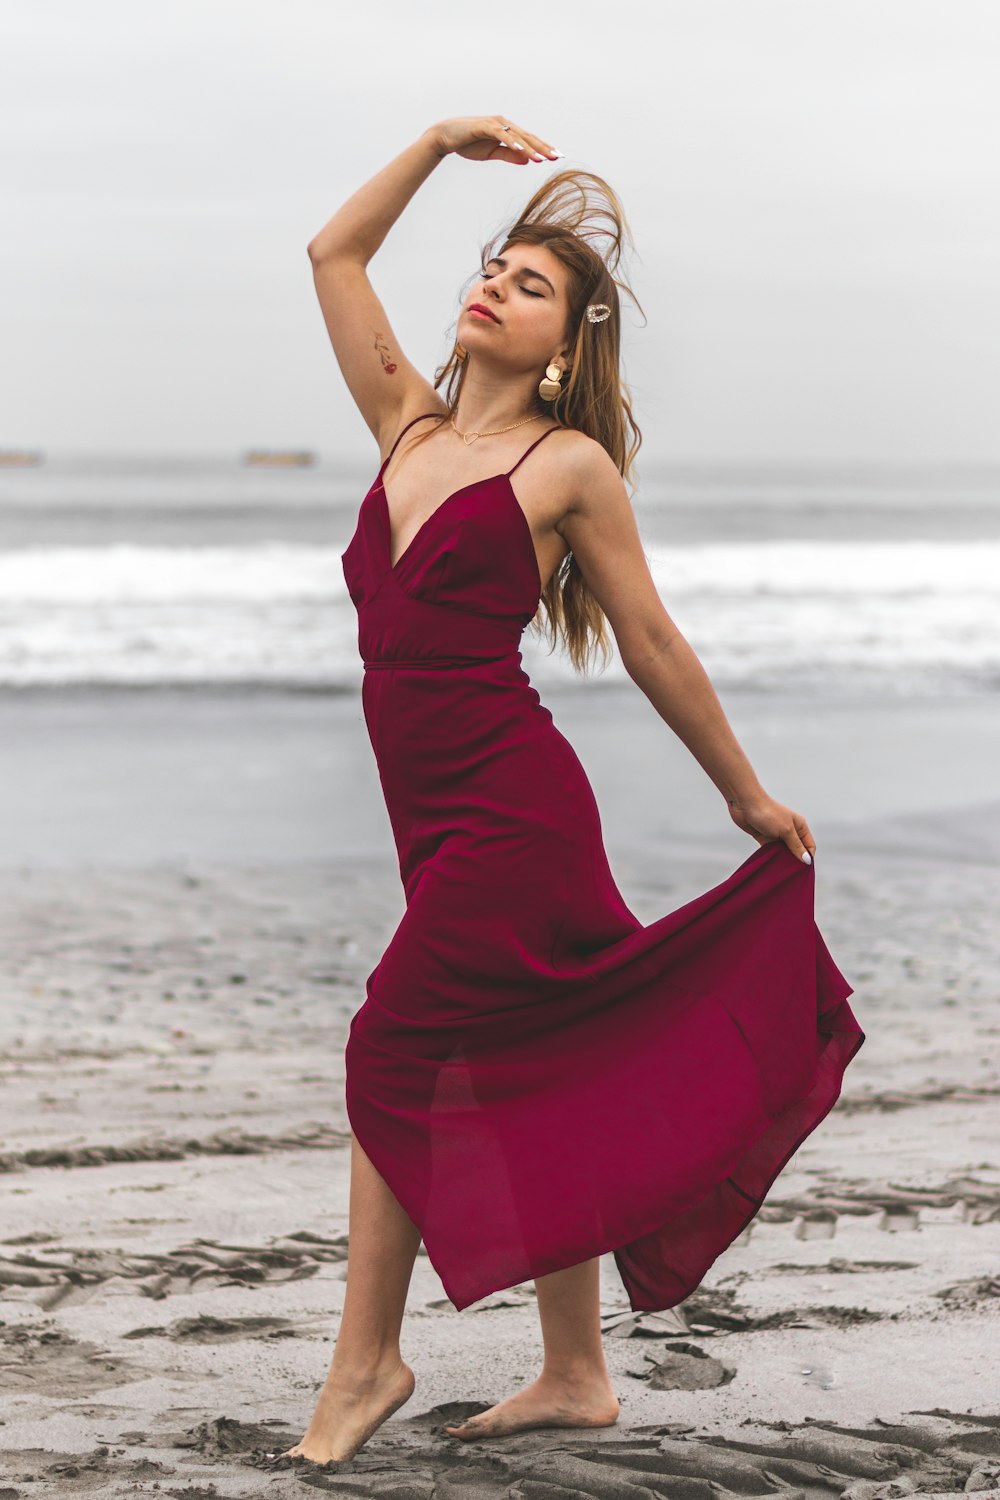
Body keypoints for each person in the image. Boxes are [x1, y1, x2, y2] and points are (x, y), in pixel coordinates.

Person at [281, 115, 864, 1467]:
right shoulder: (402, 422)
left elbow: (652, 638)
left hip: (514, 815)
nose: (492, 282)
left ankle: (366, 1362)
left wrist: (745, 796)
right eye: (494, 264)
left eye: (531, 283)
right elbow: (332, 250)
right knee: (535, 1066)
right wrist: (434, 145)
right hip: (433, 827)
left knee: (394, 1049)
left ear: (567, 344)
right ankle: (576, 1370)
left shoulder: (566, 467)